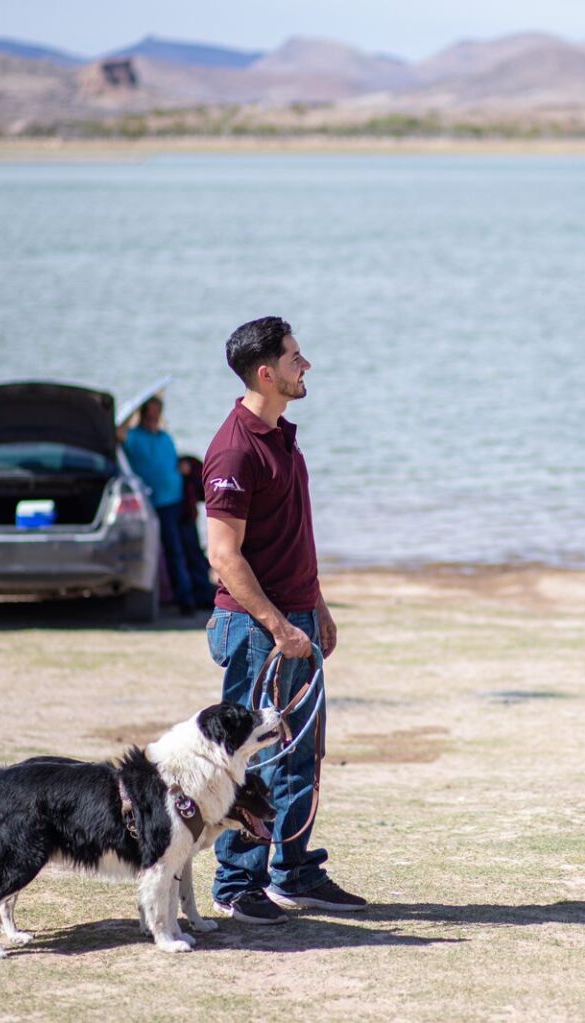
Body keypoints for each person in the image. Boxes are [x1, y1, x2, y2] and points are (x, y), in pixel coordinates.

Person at [202, 316, 366, 924]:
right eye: (297, 356)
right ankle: (236, 883)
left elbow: (295, 536)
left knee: (303, 754)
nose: (307, 364)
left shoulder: (280, 437)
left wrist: (315, 605)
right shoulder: (234, 448)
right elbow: (224, 555)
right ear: (265, 372)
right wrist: (277, 626)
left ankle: (293, 873)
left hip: (296, 618)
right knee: (258, 755)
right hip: (255, 630)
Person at [122, 396, 198, 616]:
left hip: (176, 501)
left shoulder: (165, 437)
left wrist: (182, 469)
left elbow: (172, 462)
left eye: (158, 411)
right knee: (168, 551)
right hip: (154, 504)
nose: (154, 416)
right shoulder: (133, 437)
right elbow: (119, 442)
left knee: (185, 549)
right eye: (151, 411)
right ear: (144, 413)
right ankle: (183, 600)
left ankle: (191, 596)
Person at [175, 453, 217, 610]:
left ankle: (200, 595)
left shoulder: (188, 465)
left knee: (191, 554)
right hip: (175, 510)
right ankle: (194, 596)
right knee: (182, 555)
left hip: (185, 514)